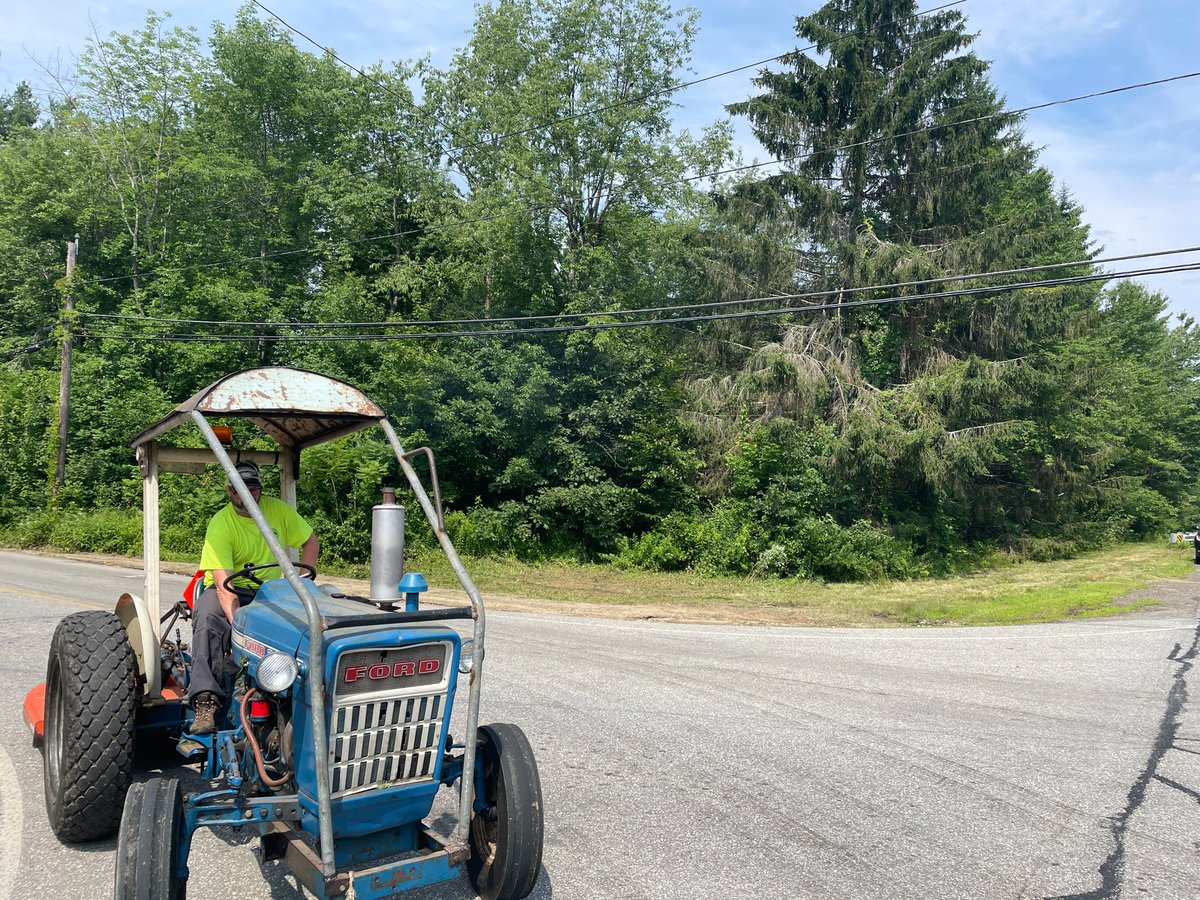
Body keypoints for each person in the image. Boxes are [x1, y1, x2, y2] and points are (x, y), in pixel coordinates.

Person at [188, 460, 319, 734]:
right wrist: (242, 631)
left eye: (253, 488)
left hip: (269, 591)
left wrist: (303, 583)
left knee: (306, 620)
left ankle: (301, 690)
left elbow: (310, 542)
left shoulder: (278, 511)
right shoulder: (221, 524)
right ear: (230, 491)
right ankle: (205, 701)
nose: (247, 495)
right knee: (208, 616)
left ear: (260, 489)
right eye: (240, 489)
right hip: (229, 590)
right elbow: (224, 588)